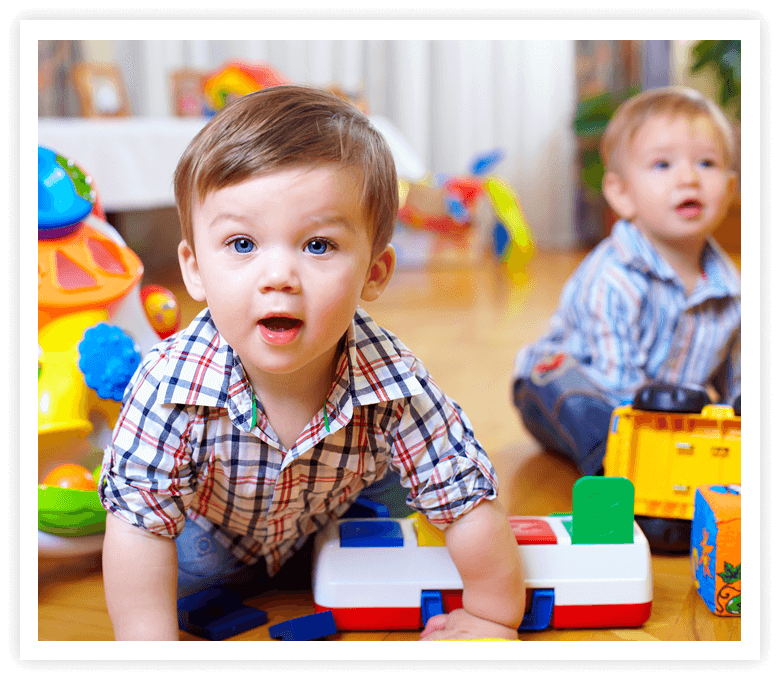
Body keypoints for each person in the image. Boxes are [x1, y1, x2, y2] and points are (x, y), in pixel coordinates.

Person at [99, 85, 525, 641]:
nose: (278, 276)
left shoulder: (395, 380)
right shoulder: (168, 382)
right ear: (195, 268)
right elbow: (138, 523)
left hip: (339, 519)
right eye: (243, 244)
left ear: (374, 272)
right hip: (213, 540)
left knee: (408, 529)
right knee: (169, 572)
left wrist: (493, 615)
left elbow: (465, 500)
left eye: (318, 245)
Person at [512, 86, 740, 488]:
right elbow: (616, 382)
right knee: (583, 403)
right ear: (621, 194)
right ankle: (618, 474)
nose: (688, 178)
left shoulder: (730, 289)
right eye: (663, 165)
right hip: (570, 389)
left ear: (730, 190)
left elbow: (738, 375)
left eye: (706, 163)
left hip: (668, 418)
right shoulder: (612, 277)